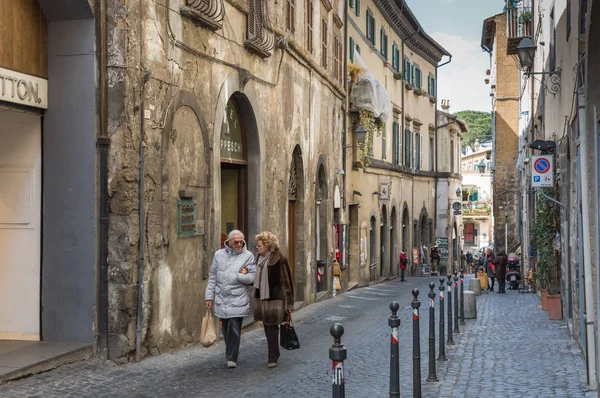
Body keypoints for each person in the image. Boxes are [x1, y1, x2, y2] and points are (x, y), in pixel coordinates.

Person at [205, 230, 256, 369]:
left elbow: (252, 277)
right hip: (222, 297)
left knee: (234, 327)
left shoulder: (248, 256)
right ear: (229, 241)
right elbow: (213, 276)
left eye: (241, 242)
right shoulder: (219, 254)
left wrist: (240, 276)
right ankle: (230, 352)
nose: (239, 244)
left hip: (238, 298)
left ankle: (232, 357)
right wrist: (209, 296)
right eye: (236, 242)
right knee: (226, 328)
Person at [253, 231, 294, 368]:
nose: (257, 248)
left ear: (267, 245)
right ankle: (274, 354)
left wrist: (289, 302)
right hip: (262, 298)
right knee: (267, 327)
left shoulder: (279, 259)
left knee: (271, 328)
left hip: (275, 299)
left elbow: (287, 281)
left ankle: (273, 356)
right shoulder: (259, 258)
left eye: (259, 245)